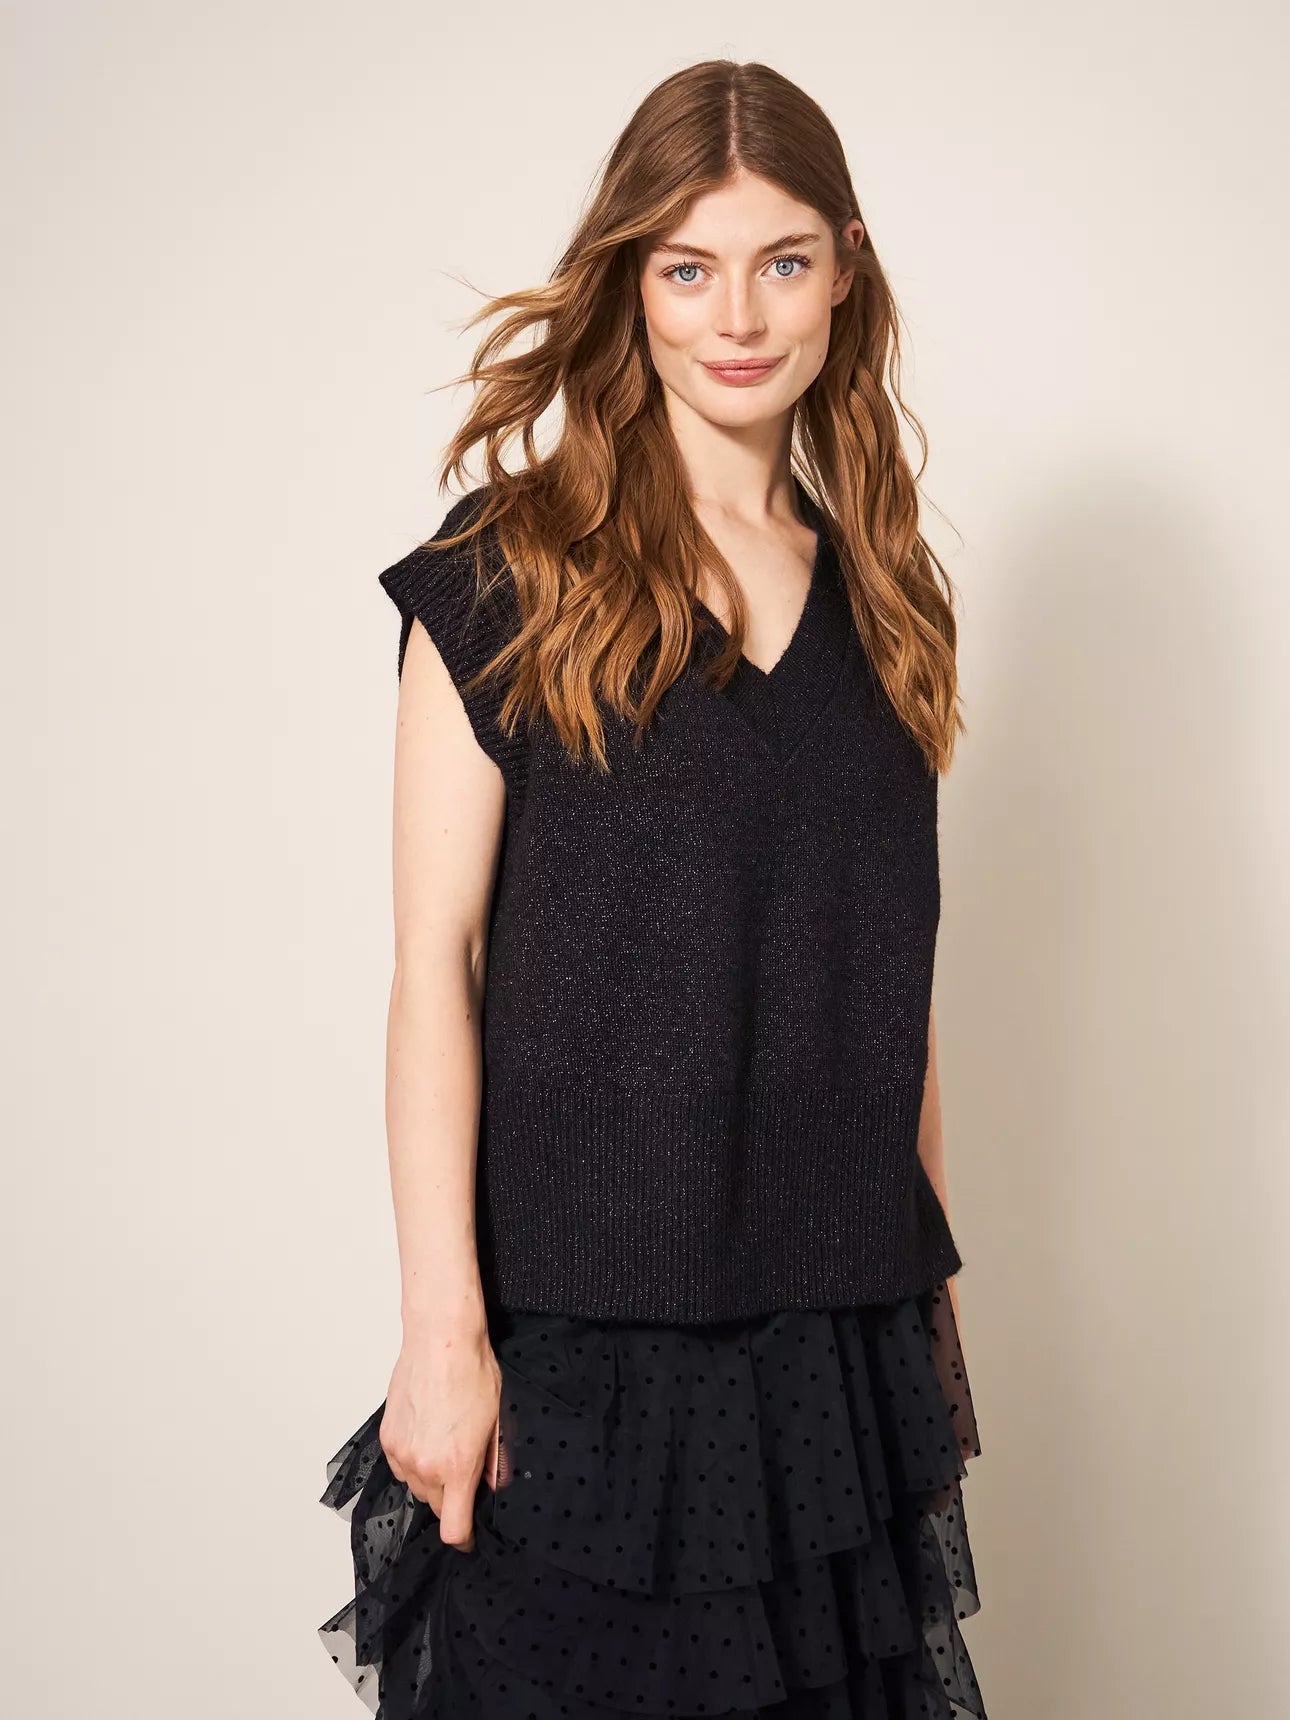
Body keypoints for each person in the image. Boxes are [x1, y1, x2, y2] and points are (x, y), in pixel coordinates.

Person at [317, 57, 988, 1720]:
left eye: (780, 262)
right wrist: (442, 1332)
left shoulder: (890, 598)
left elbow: (892, 984)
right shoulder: (507, 574)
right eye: (687, 269)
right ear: (630, 282)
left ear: (845, 270)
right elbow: (434, 967)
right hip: (584, 1338)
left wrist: (933, 1303)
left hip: (837, 1342)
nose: (735, 317)